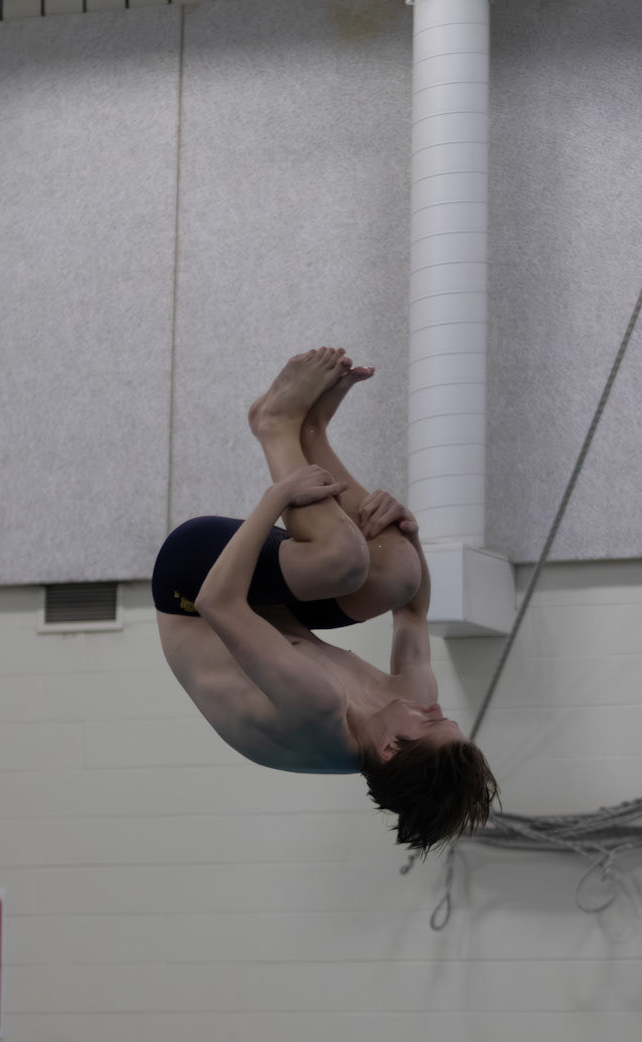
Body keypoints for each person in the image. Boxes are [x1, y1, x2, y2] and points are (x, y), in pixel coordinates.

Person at [154, 347, 497, 853]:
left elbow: (217, 602)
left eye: (429, 721)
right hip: (266, 611)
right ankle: (312, 431)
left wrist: (277, 497)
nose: (431, 706)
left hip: (192, 585)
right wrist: (408, 530)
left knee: (344, 559)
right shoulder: (408, 706)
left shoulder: (315, 708)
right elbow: (413, 611)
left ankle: (273, 426)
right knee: (399, 570)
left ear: (388, 748)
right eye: (445, 715)